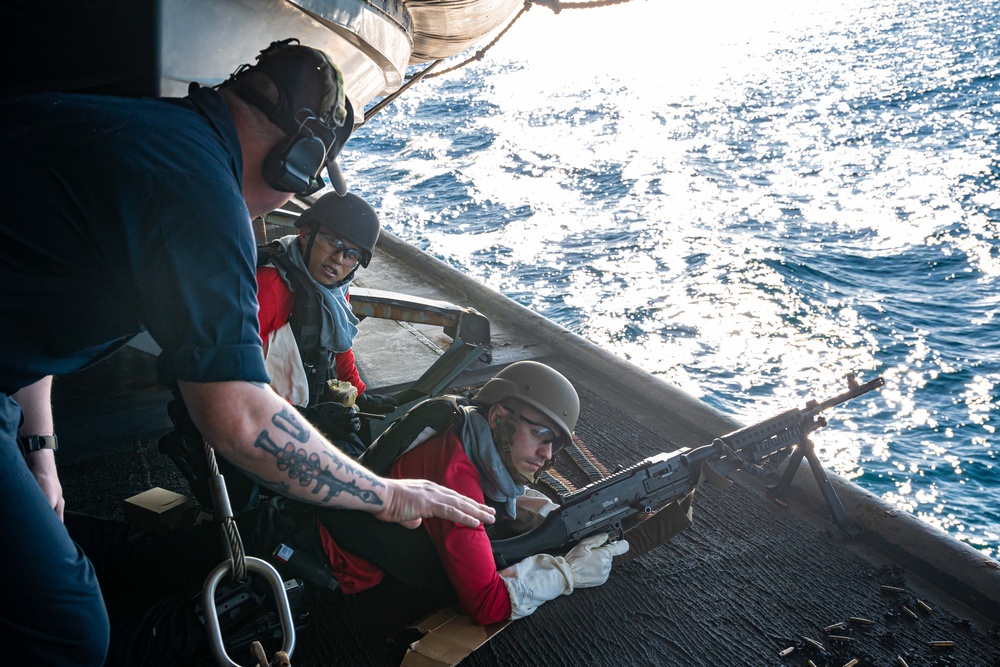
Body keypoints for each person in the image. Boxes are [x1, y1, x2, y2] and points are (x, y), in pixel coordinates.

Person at [0, 38, 494, 666]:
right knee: (67, 627)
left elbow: (32, 307)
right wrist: (389, 496)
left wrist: (40, 453)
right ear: (298, 161)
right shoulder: (200, 192)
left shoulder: (152, 132)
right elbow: (239, 418)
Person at [317, 360, 630, 625]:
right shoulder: (455, 479)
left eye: (556, 444)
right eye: (540, 434)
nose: (547, 454)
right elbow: (487, 605)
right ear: (498, 417)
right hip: (341, 568)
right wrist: (568, 574)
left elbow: (496, 485)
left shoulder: (465, 432)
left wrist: (551, 516)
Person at [256, 191, 397, 426]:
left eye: (352, 254)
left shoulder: (334, 288)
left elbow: (337, 342)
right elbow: (232, 371)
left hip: (294, 407)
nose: (339, 259)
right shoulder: (269, 288)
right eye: (334, 242)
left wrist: (359, 394)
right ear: (305, 233)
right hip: (258, 416)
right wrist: (303, 419)